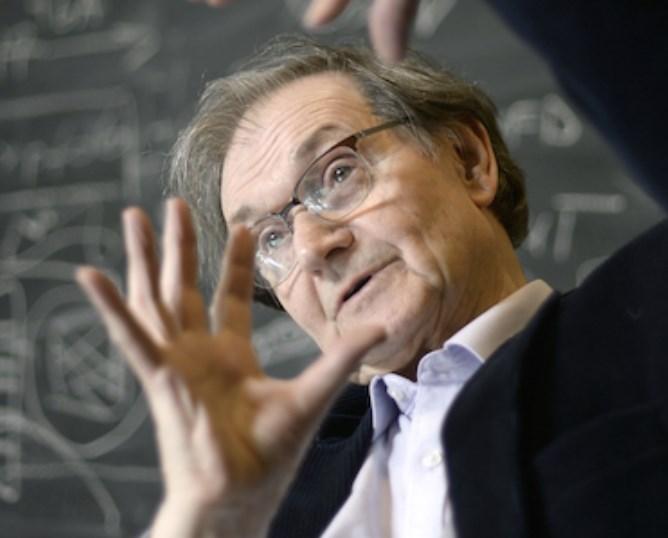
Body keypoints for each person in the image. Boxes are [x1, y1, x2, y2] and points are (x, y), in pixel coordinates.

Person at [77, 1, 668, 537]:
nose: (312, 247)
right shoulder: (271, 493)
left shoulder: (638, 328)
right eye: (270, 238)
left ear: (468, 161)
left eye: (338, 173)